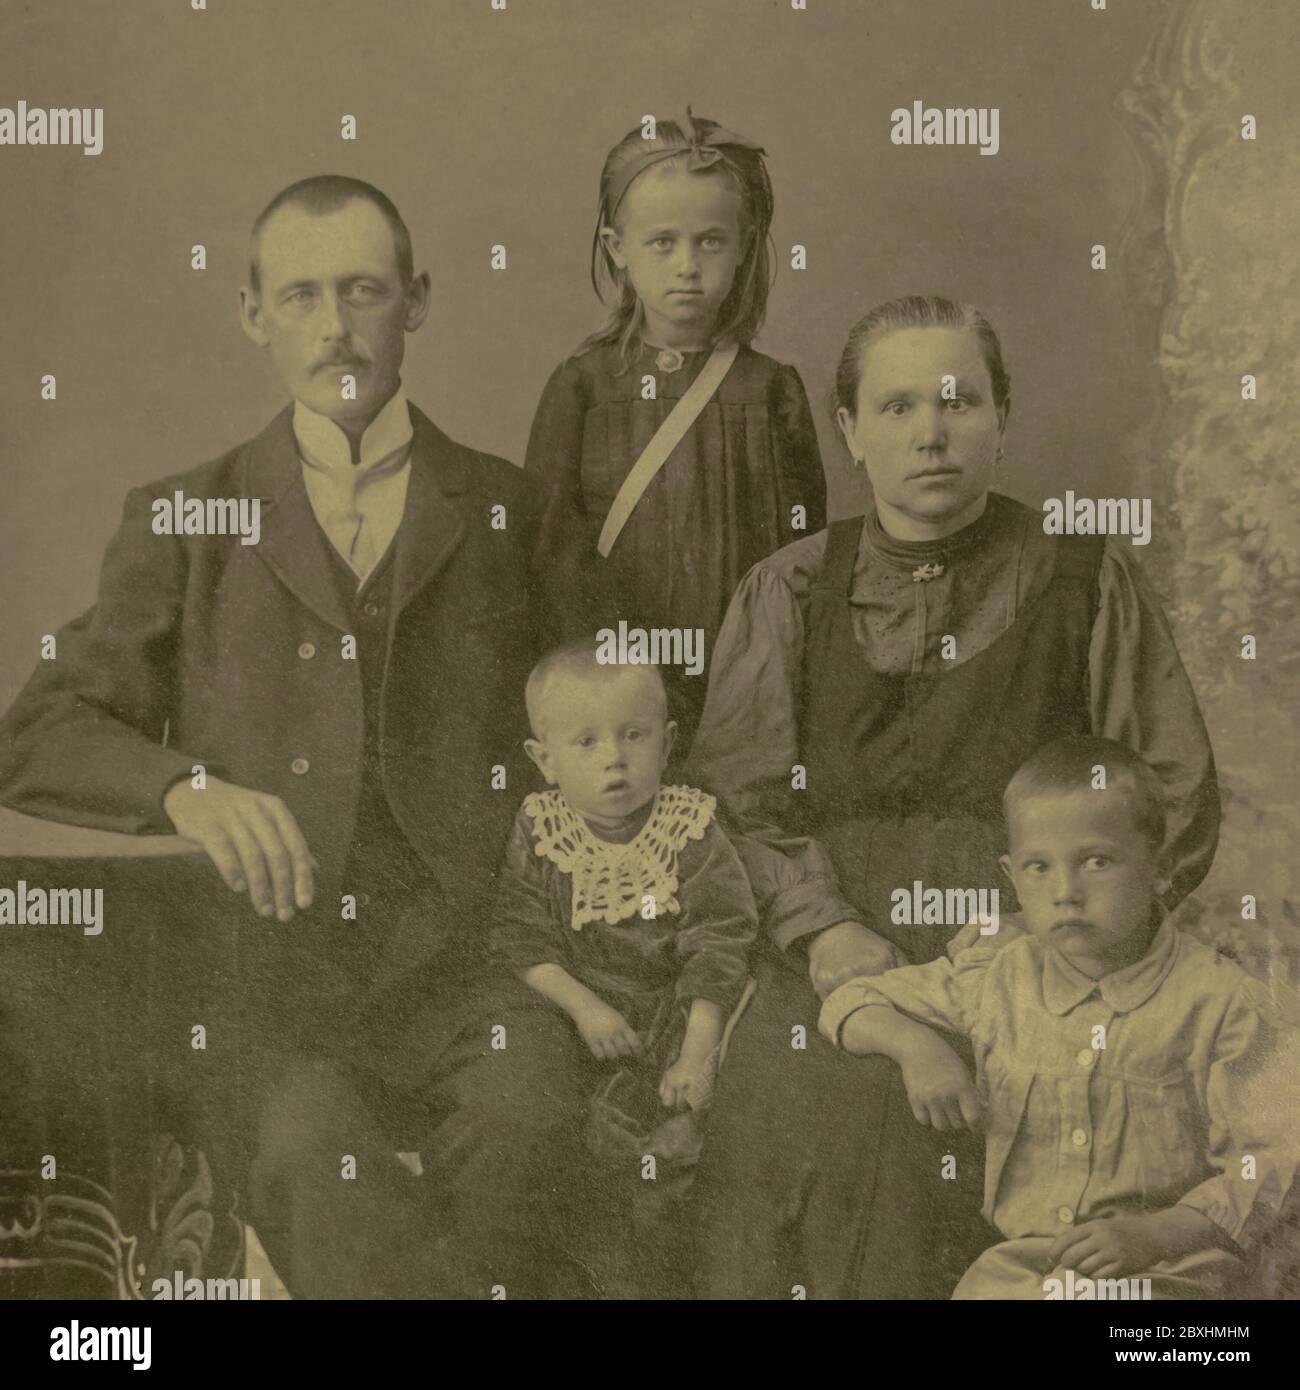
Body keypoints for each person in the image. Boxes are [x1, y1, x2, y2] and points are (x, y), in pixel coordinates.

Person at [0, 175, 580, 1299]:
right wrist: (186, 788)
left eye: (363, 290)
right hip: (270, 983)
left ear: (416, 301)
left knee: (533, 1124)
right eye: (302, 294)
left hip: (476, 965)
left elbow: (618, 712)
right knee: (313, 1160)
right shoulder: (187, 514)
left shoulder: (513, 509)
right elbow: (36, 730)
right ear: (252, 314)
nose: (335, 325)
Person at [687, 294, 1222, 1298]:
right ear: (848, 431)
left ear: (1000, 415)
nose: (929, 433)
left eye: (957, 402)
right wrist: (823, 933)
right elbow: (735, 801)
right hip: (829, 940)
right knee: (802, 1118)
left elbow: (1169, 794)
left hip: (1038, 946)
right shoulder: (788, 589)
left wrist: (1063, 938)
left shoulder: (1086, 576)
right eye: (895, 408)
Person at [821, 736, 1300, 1299]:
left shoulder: (1224, 1002)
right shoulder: (997, 977)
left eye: (1097, 862)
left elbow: (1271, 1164)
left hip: (1172, 1269)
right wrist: (915, 1048)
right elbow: (849, 1002)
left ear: (1159, 869)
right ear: (1012, 876)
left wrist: (1155, 1233)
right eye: (1039, 868)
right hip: (1026, 1267)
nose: (1066, 892)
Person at [525, 109, 827, 749]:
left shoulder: (771, 391)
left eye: (710, 241)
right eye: (662, 242)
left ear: (744, 246)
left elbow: (803, 552)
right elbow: (552, 549)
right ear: (618, 250)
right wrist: (612, 666)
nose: (687, 265)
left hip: (746, 677)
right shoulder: (581, 387)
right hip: (615, 685)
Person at [490, 645, 757, 1293]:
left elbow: (718, 944)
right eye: (585, 742)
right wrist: (585, 1008)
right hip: (582, 1026)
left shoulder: (687, 828)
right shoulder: (541, 829)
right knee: (578, 1161)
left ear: (666, 746)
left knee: (682, 1165)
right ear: (543, 761)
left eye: (633, 736)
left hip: (679, 1019)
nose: (614, 758)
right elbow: (520, 940)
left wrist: (696, 1058)